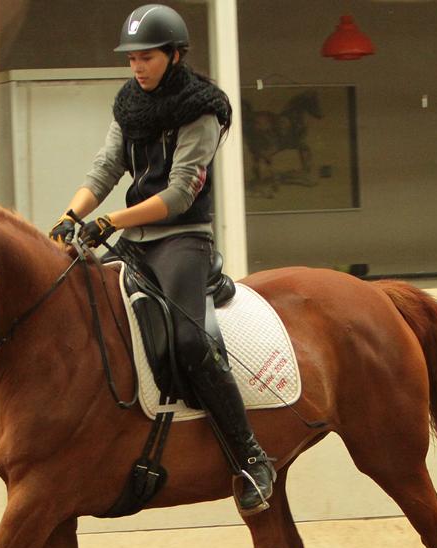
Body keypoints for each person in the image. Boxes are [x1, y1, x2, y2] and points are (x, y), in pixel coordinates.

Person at [48, 3, 275, 516]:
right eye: (132, 60)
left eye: (146, 58)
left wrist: (109, 223)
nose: (137, 67)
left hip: (181, 240)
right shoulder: (129, 105)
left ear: (174, 55)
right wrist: (70, 215)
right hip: (135, 239)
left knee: (191, 338)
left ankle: (251, 456)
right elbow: (106, 168)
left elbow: (177, 195)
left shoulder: (203, 110)